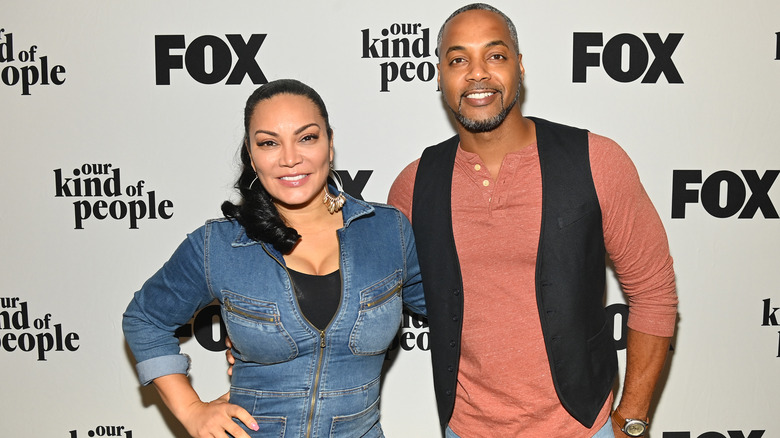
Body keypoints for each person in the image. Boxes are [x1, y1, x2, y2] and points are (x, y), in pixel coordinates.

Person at [387, 4, 678, 438]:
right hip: (465, 429)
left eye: (495, 55)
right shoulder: (414, 185)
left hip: (585, 427)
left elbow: (654, 293)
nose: (477, 74)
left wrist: (631, 416)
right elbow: (375, 296)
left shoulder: (596, 160)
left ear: (520, 67)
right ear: (439, 76)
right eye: (458, 59)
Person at [123, 79, 425, 438]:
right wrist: (190, 410)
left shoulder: (387, 231)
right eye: (269, 143)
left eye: (307, 138)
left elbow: (454, 309)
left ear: (330, 144)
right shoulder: (221, 245)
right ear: (252, 157)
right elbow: (145, 319)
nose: (289, 158)